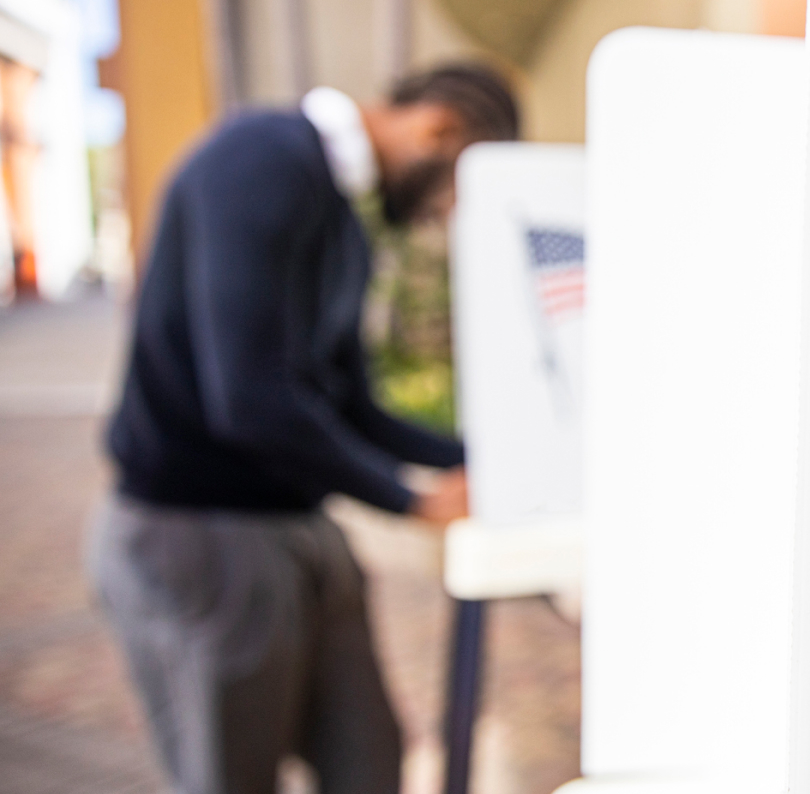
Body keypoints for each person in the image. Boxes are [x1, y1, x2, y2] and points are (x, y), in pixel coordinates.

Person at [90, 64, 519, 794]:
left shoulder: (344, 213)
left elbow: (350, 402)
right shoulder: (263, 159)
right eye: (454, 188)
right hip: (204, 531)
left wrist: (495, 459)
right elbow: (250, 401)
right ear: (439, 130)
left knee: (370, 759)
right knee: (232, 774)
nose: (445, 211)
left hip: (300, 525)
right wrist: (410, 501)